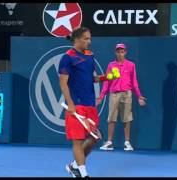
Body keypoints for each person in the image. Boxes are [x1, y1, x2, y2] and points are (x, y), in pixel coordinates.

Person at [59, 27, 101, 178]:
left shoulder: (90, 55)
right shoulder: (67, 57)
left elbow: (92, 78)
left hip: (90, 104)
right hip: (76, 105)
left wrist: (106, 78)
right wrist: (70, 103)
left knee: (94, 138)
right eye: (86, 38)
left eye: (90, 38)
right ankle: (83, 174)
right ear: (77, 39)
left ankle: (74, 166)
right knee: (77, 141)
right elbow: (63, 82)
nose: (89, 41)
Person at [96, 43, 147, 151]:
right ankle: (109, 143)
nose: (120, 53)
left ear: (125, 52)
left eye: (122, 51)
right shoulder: (111, 65)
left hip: (127, 94)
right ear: (115, 52)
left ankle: (127, 142)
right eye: (118, 51)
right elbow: (107, 82)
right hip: (114, 94)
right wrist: (101, 96)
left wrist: (139, 96)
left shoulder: (131, 65)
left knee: (127, 119)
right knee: (111, 118)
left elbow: (134, 82)